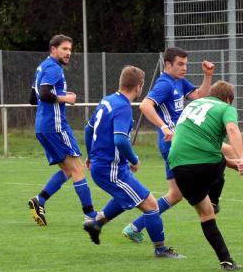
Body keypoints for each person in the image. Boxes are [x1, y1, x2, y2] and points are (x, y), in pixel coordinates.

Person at [121, 46, 243, 243]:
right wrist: (164, 127)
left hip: (180, 141)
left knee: (176, 195)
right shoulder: (165, 84)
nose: (184, 68)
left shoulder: (177, 81)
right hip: (177, 142)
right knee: (230, 154)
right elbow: (145, 105)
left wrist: (207, 76)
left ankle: (135, 226)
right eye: (180, 64)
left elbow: (199, 96)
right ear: (168, 64)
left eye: (186, 64)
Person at [82, 65, 184, 259]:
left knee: (126, 198)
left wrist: (89, 155)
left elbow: (88, 129)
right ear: (139, 87)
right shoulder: (123, 108)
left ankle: (96, 223)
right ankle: (161, 249)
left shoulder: (108, 100)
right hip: (110, 169)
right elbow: (120, 139)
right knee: (151, 205)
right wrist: (134, 158)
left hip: (108, 166)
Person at [167, 80, 243, 271]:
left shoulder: (193, 104)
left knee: (206, 214)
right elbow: (233, 130)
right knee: (219, 163)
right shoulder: (225, 108)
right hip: (206, 164)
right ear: (228, 99)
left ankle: (226, 261)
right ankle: (215, 200)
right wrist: (241, 158)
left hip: (177, 165)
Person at [28, 34, 97, 226]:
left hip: (43, 126)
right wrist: (66, 98)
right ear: (53, 50)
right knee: (77, 168)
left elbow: (33, 99)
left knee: (68, 170)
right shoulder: (53, 68)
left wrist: (56, 96)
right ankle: (91, 215)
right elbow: (43, 94)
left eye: (70, 50)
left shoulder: (41, 67)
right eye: (64, 49)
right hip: (56, 126)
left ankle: (39, 200)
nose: (68, 53)